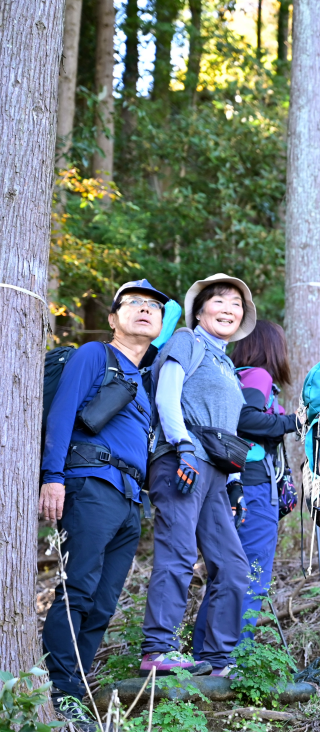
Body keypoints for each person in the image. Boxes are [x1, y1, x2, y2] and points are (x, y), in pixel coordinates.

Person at [40, 279, 167, 728]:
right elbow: (63, 411)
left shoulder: (147, 381)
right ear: (113, 319)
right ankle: (59, 690)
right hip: (90, 483)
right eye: (133, 303)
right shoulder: (96, 355)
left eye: (154, 306)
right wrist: (52, 477)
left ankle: (75, 681)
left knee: (105, 599)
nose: (145, 309)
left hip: (132, 500)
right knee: (78, 588)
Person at [141, 274, 257, 677]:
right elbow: (166, 395)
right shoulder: (187, 342)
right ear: (200, 310)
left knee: (233, 565)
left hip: (215, 473)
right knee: (178, 553)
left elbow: (228, 430)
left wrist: (234, 485)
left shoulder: (227, 364)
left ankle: (216, 658)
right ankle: (157, 649)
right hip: (181, 460)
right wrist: (184, 446)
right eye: (220, 301)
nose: (229, 309)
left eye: (236, 305)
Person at [192, 320, 297, 656]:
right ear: (272, 348)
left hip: (234, 483)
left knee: (227, 572)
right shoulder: (259, 376)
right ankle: (232, 659)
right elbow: (246, 418)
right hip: (252, 486)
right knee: (251, 574)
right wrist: (294, 421)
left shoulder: (236, 375)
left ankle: (206, 655)